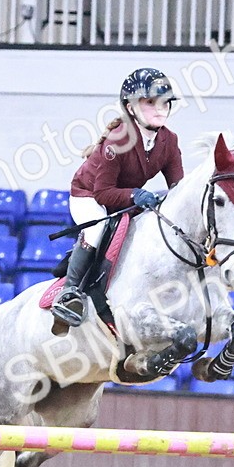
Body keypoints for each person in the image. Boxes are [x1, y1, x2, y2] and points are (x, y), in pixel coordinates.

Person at [51, 67, 184, 329]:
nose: (160, 108)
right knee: (98, 228)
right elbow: (102, 192)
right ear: (130, 107)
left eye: (165, 102)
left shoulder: (169, 141)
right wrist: (136, 194)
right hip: (88, 195)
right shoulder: (118, 138)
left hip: (124, 198)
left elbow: (178, 188)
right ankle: (69, 293)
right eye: (150, 102)